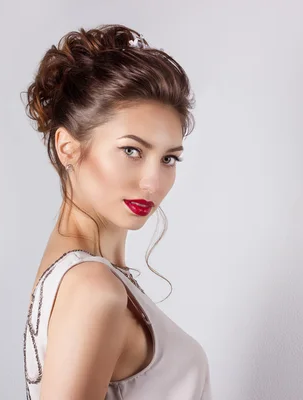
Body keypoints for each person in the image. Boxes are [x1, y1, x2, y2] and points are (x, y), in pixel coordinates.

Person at [21, 24, 212, 399]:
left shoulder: (91, 278)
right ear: (68, 148)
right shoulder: (94, 288)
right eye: (132, 151)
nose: (153, 183)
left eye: (169, 158)